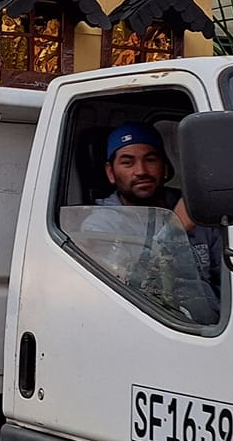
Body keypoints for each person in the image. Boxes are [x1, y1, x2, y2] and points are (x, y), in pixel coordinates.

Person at [80, 124, 221, 326]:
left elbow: (227, 279)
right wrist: (174, 229)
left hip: (214, 331)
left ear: (165, 166)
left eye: (150, 160)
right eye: (128, 163)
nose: (141, 171)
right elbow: (133, 290)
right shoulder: (100, 225)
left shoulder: (194, 207)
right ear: (111, 172)